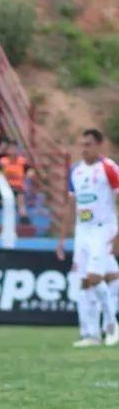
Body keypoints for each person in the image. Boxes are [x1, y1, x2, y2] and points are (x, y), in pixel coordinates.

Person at [55, 127, 119, 348]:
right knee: (85, 281)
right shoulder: (76, 171)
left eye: (88, 144)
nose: (84, 148)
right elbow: (71, 206)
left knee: (94, 277)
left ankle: (111, 326)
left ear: (99, 145)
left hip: (104, 229)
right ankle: (89, 333)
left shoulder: (109, 168)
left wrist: (117, 235)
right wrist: (63, 238)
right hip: (83, 231)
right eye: (82, 144)